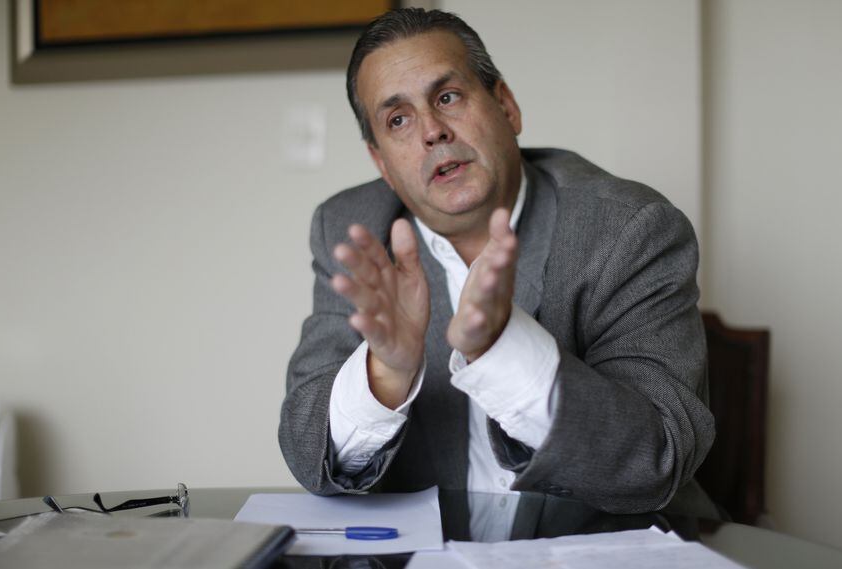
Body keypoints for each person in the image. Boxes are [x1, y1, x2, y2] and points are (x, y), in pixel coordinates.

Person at [279, 8, 716, 517]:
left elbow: (657, 458)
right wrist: (385, 373)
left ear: (506, 107)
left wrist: (503, 348)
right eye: (398, 119)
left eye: (447, 97)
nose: (432, 131)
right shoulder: (353, 230)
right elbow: (307, 452)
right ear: (382, 164)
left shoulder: (627, 229)